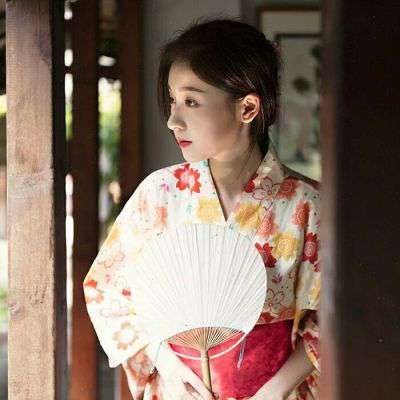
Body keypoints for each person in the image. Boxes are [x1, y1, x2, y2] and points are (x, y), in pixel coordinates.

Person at [83, 17, 321, 400]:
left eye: (191, 101)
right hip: (180, 390)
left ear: (247, 108)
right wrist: (165, 362)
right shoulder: (159, 195)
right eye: (173, 100)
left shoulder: (307, 204)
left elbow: (335, 317)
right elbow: (106, 289)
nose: (173, 120)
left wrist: (275, 390)